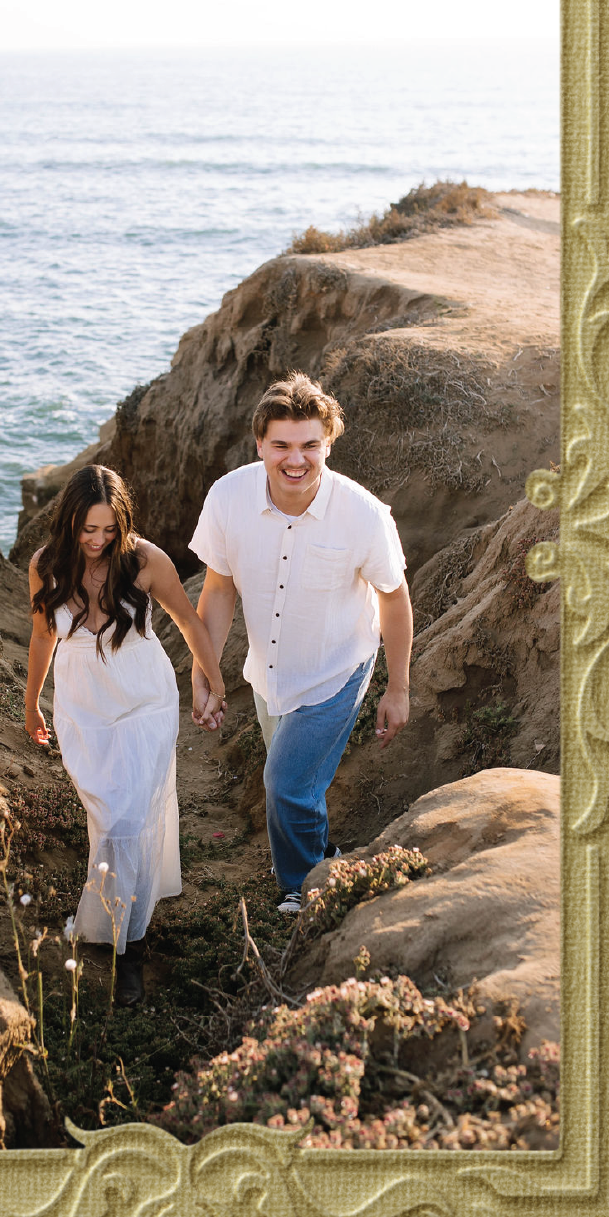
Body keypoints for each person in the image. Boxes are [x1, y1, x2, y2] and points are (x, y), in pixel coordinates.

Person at [189, 373, 412, 915]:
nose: (296, 459)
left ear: (328, 444)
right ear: (259, 444)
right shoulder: (227, 498)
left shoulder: (363, 514)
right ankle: (325, 856)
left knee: (285, 783)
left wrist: (398, 688)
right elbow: (218, 590)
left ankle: (302, 887)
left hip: (337, 670)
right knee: (298, 784)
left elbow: (394, 597)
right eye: (282, 445)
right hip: (269, 674)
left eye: (310, 444)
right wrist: (206, 673)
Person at [24, 464, 228, 1006]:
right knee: (107, 817)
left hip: (144, 701)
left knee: (127, 822)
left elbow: (189, 622)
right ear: (69, 522)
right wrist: (31, 703)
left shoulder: (146, 560)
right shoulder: (45, 565)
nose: (98, 540)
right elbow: (43, 637)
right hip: (83, 708)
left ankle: (129, 948)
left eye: (109, 529)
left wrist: (214, 680)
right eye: (88, 529)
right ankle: (117, 914)